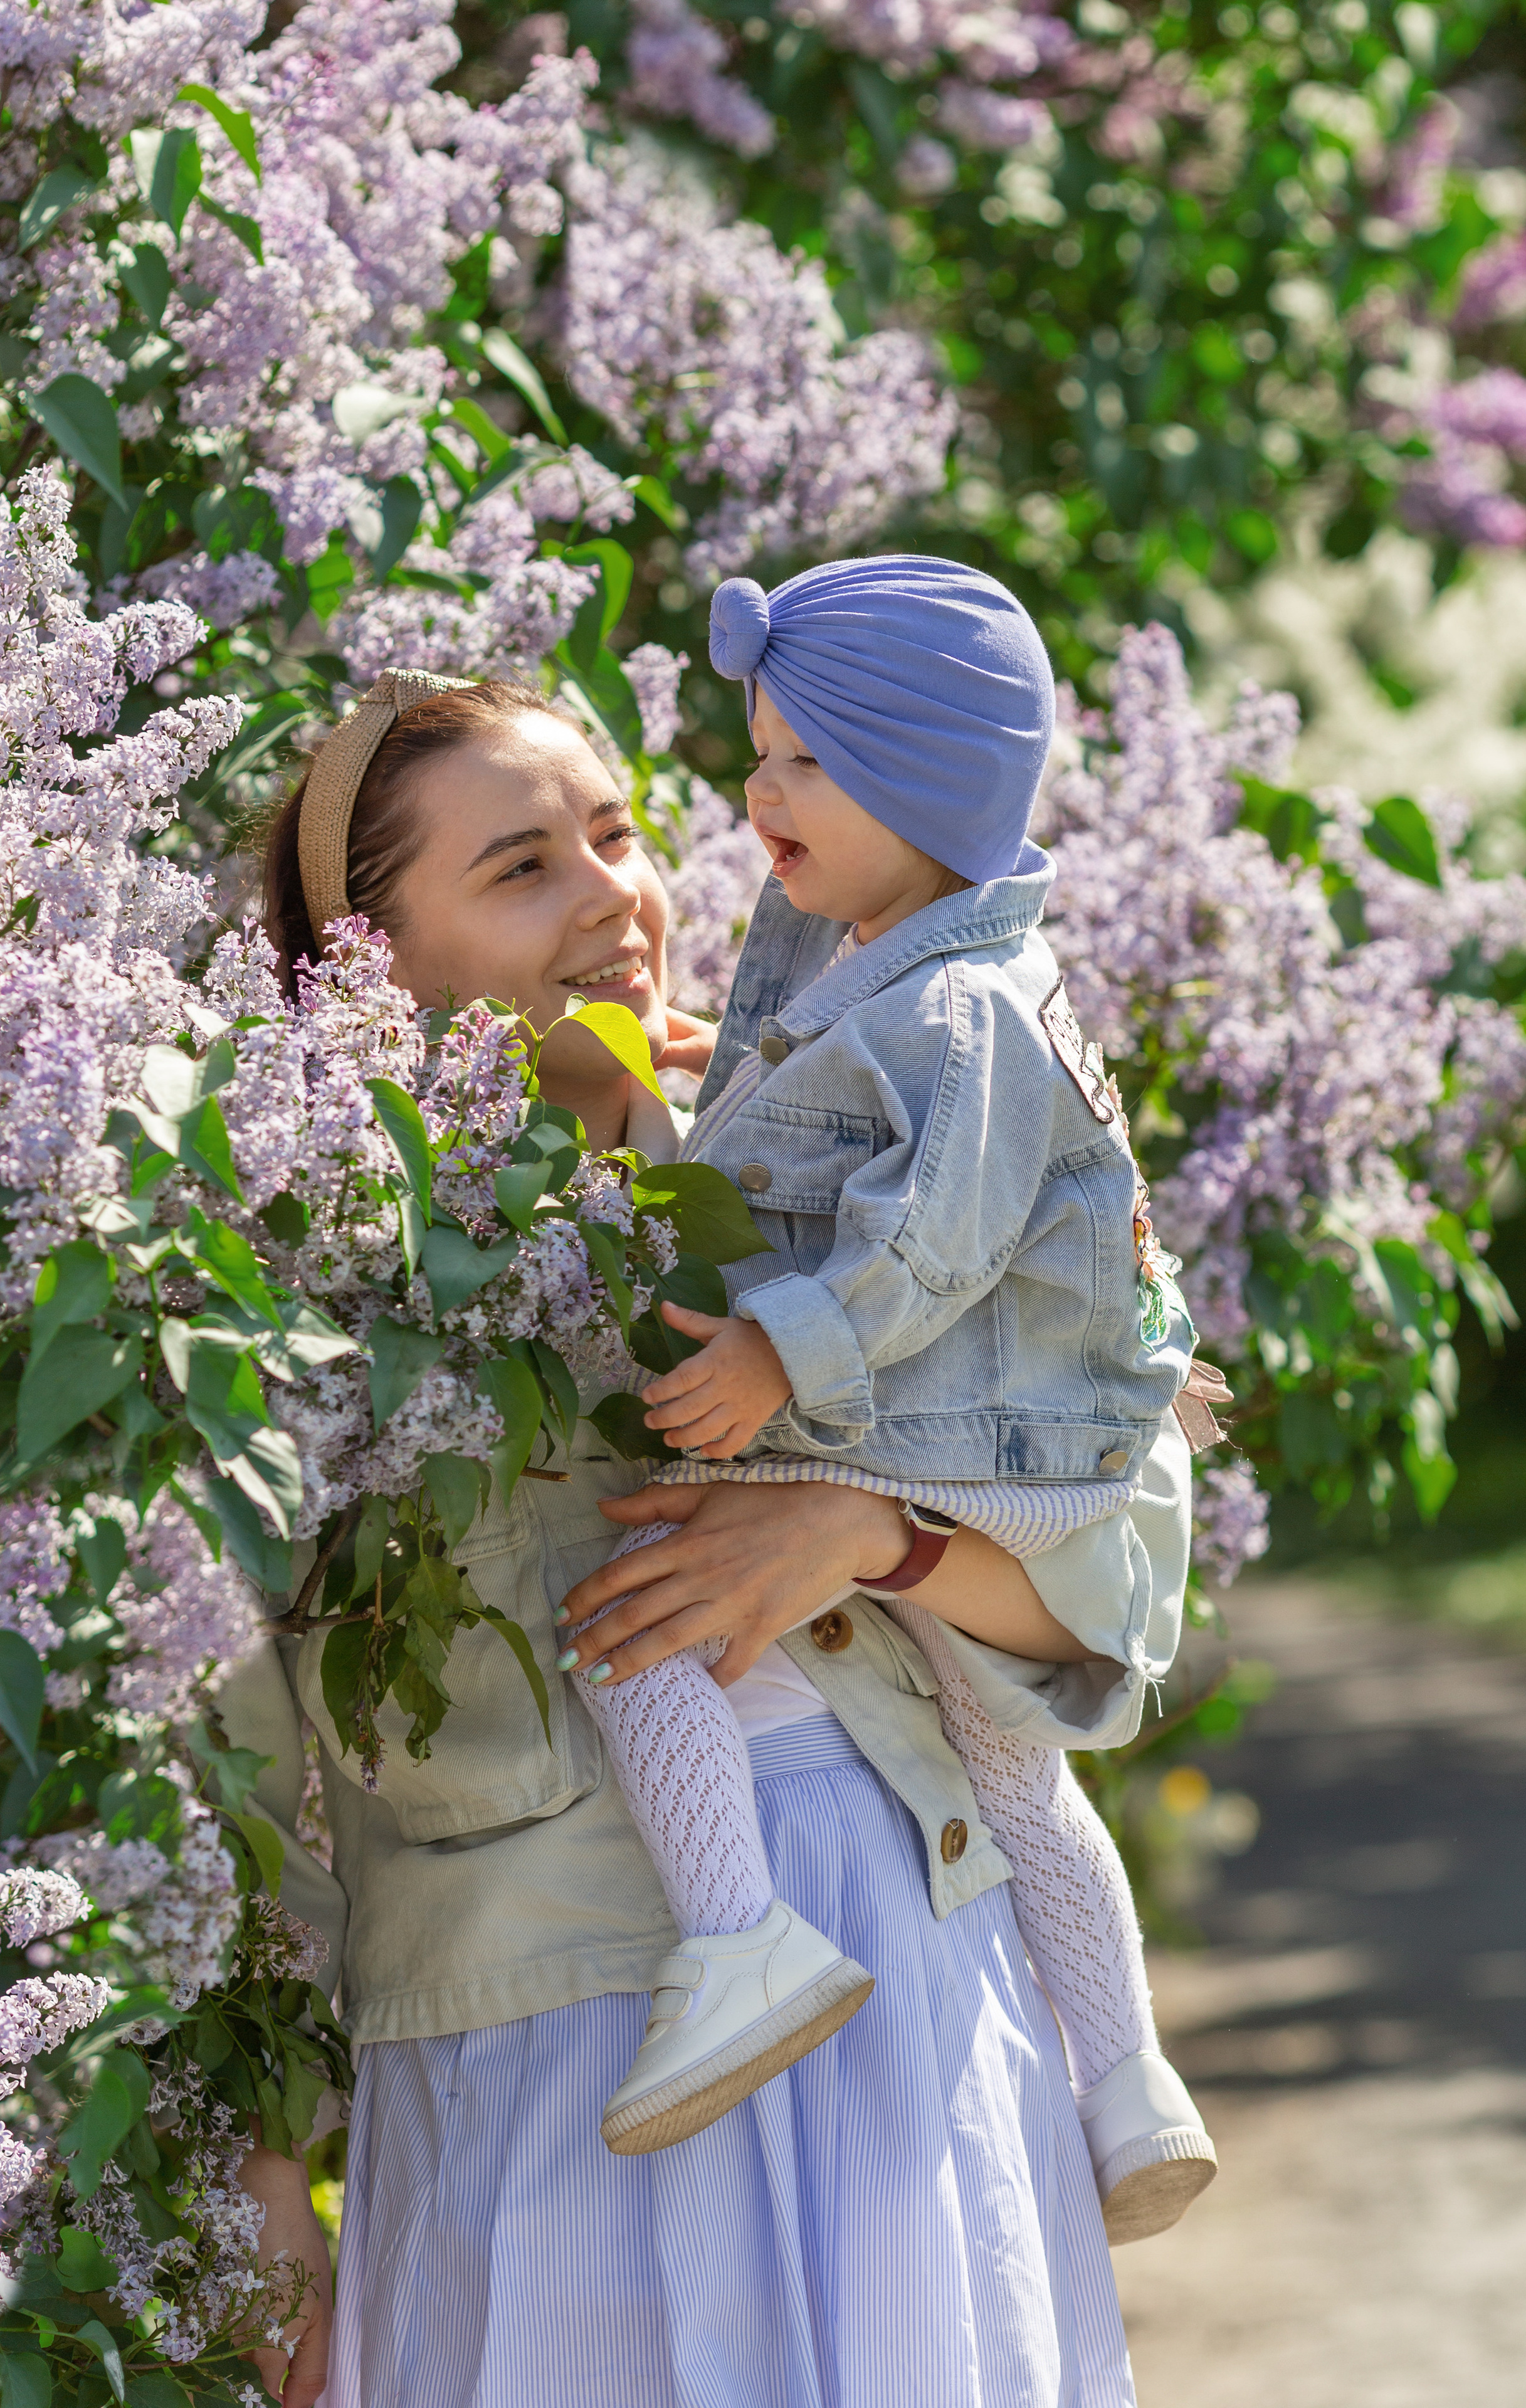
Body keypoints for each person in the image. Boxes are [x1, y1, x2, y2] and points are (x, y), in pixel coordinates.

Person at [227, 668, 1180, 2408]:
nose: (617, 898)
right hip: (553, 2068)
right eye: (521, 871)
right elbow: (237, 1774)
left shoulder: (836, 1119)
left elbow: (1126, 1542)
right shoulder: (284, 1286)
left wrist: (868, 1535)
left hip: (904, 1990)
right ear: (367, 958)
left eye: (613, 835)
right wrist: (272, 2192)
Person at [549, 558, 1216, 2248]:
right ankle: (1131, 2087)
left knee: (634, 1627)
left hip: (973, 1435)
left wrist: (789, 1357)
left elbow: (930, 1235)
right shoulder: (888, 948)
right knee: (1007, 1766)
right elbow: (816, 1083)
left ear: (916, 785)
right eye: (758, 753)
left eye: (801, 766)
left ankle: (738, 1942)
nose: (754, 795)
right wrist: (698, 1058)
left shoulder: (964, 1007)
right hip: (1000, 1439)